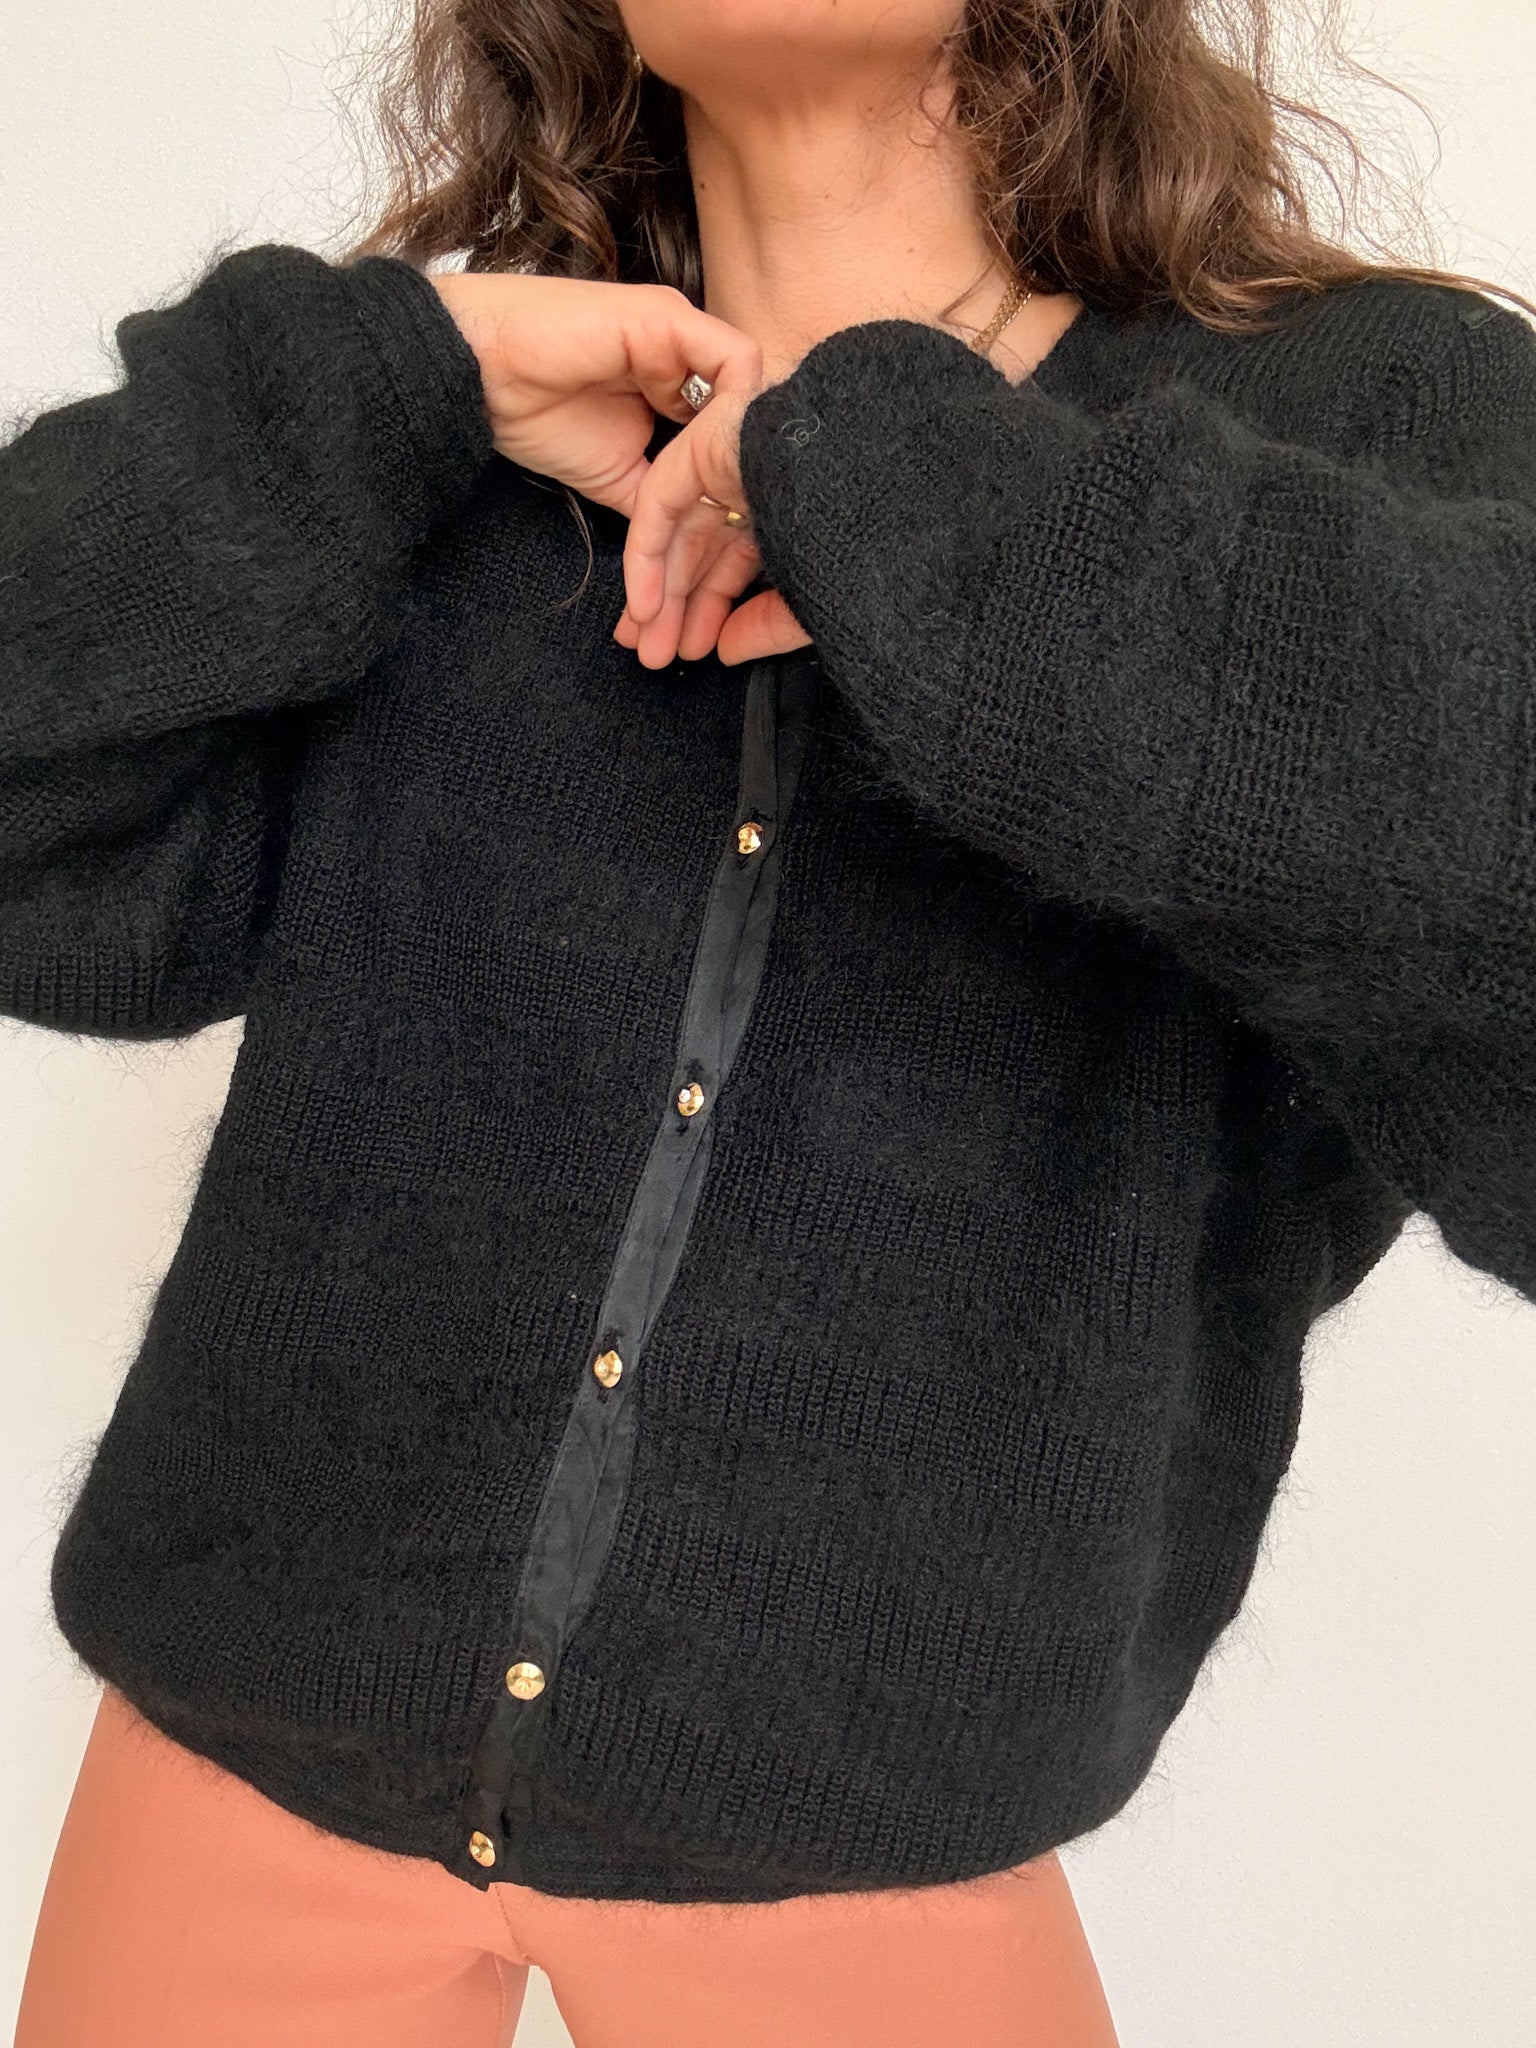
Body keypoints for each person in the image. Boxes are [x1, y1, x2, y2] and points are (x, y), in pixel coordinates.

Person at [7, 2, 1534, 2044]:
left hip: (865, 1853)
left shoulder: (1378, 410)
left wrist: (914, 496)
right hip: (234, 1766)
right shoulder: (455, 437)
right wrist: (367, 386)